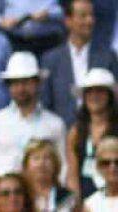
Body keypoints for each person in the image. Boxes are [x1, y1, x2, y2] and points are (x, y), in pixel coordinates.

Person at [0, 51, 67, 178]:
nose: (21, 88)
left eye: (26, 82)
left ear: (37, 83)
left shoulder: (54, 124)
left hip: (42, 193)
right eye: (15, 83)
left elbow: (62, 164)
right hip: (4, 192)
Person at [39, 0, 118, 129]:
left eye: (91, 15)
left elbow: (114, 100)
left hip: (100, 134)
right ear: (68, 21)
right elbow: (46, 102)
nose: (89, 21)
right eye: (83, 16)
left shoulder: (108, 57)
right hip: (62, 134)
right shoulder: (51, 59)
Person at [66, 68, 118, 200]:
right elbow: (72, 174)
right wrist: (76, 203)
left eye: (100, 91)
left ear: (109, 96)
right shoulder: (76, 132)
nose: (94, 96)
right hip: (85, 197)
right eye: (89, 92)